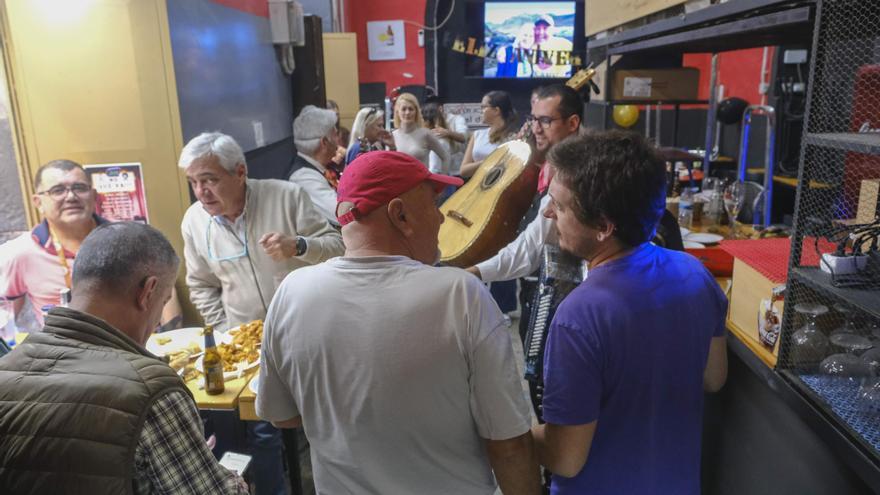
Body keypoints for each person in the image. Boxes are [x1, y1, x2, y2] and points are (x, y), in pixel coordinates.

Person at [256, 151, 540, 495]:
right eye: (433, 205)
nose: (440, 218)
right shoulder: (461, 296)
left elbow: (282, 415)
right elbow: (508, 443)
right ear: (400, 214)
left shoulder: (291, 293)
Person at [532, 131, 728, 494]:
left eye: (559, 206)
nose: (547, 212)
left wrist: (505, 434)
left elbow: (566, 458)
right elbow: (713, 378)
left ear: (604, 226)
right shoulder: (694, 272)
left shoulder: (579, 315)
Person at [0, 222, 248, 494]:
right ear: (148, 292)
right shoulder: (152, 391)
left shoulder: (6, 369)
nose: (156, 322)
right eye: (164, 302)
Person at [179, 131, 344, 495]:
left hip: (308, 334)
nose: (201, 192)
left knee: (326, 422)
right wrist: (226, 332)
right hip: (248, 349)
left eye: (209, 180)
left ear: (240, 171)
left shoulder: (286, 196)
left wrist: (299, 245)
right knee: (264, 430)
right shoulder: (194, 221)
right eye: (194, 182)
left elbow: (338, 247)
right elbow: (202, 285)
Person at [0, 159, 182, 331]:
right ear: (38, 202)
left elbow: (165, 289)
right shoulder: (21, 252)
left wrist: (171, 339)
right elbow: (6, 312)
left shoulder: (129, 238)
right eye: (57, 190)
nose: (71, 197)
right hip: (68, 355)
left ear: (94, 196)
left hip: (136, 346)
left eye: (79, 188)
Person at [466, 84, 583, 340]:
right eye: (533, 119)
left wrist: (474, 272)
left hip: (561, 301)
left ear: (573, 123)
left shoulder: (571, 175)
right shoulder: (549, 163)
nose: (536, 128)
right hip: (540, 290)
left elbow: (531, 247)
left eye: (545, 120)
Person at [290, 105, 343, 224]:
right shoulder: (303, 177)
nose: (338, 140)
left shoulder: (322, 169)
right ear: (324, 142)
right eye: (335, 134)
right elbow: (342, 214)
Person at [460, 90, 520, 178]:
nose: (480, 111)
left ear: (496, 110)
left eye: (484, 107)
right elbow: (463, 171)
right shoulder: (477, 134)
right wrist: (486, 162)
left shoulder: (514, 137)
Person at [392, 92, 449, 166]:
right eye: (403, 109)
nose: (407, 112)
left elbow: (445, 157)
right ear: (397, 112)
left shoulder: (426, 134)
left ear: (416, 111)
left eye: (411, 109)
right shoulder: (392, 136)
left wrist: (442, 177)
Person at [425, 95, 469, 174]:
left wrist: (447, 133)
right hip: (435, 171)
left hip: (456, 170)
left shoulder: (457, 119)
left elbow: (463, 137)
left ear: (440, 109)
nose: (430, 115)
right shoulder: (426, 121)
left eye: (432, 111)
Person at [421, 101, 456, 176]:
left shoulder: (436, 140)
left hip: (437, 180)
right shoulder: (443, 137)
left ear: (426, 121)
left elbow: (434, 168)